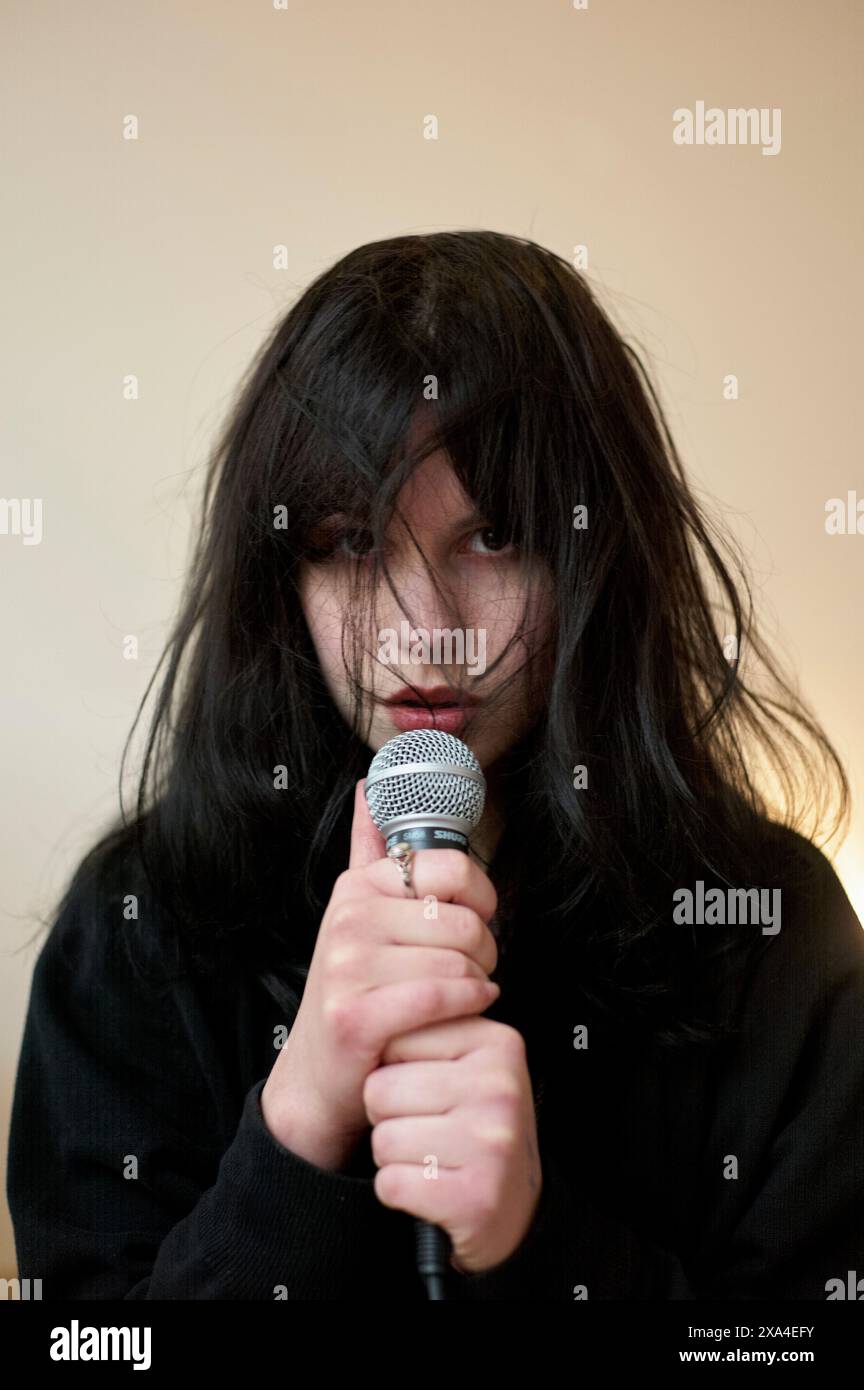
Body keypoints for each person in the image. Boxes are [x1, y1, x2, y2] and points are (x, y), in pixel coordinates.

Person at [7, 231, 863, 1300]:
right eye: (354, 543)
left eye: (495, 536)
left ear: (595, 555)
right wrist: (296, 1125)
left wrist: (543, 1249)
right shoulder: (137, 928)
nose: (427, 635)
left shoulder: (770, 929)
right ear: (284, 577)